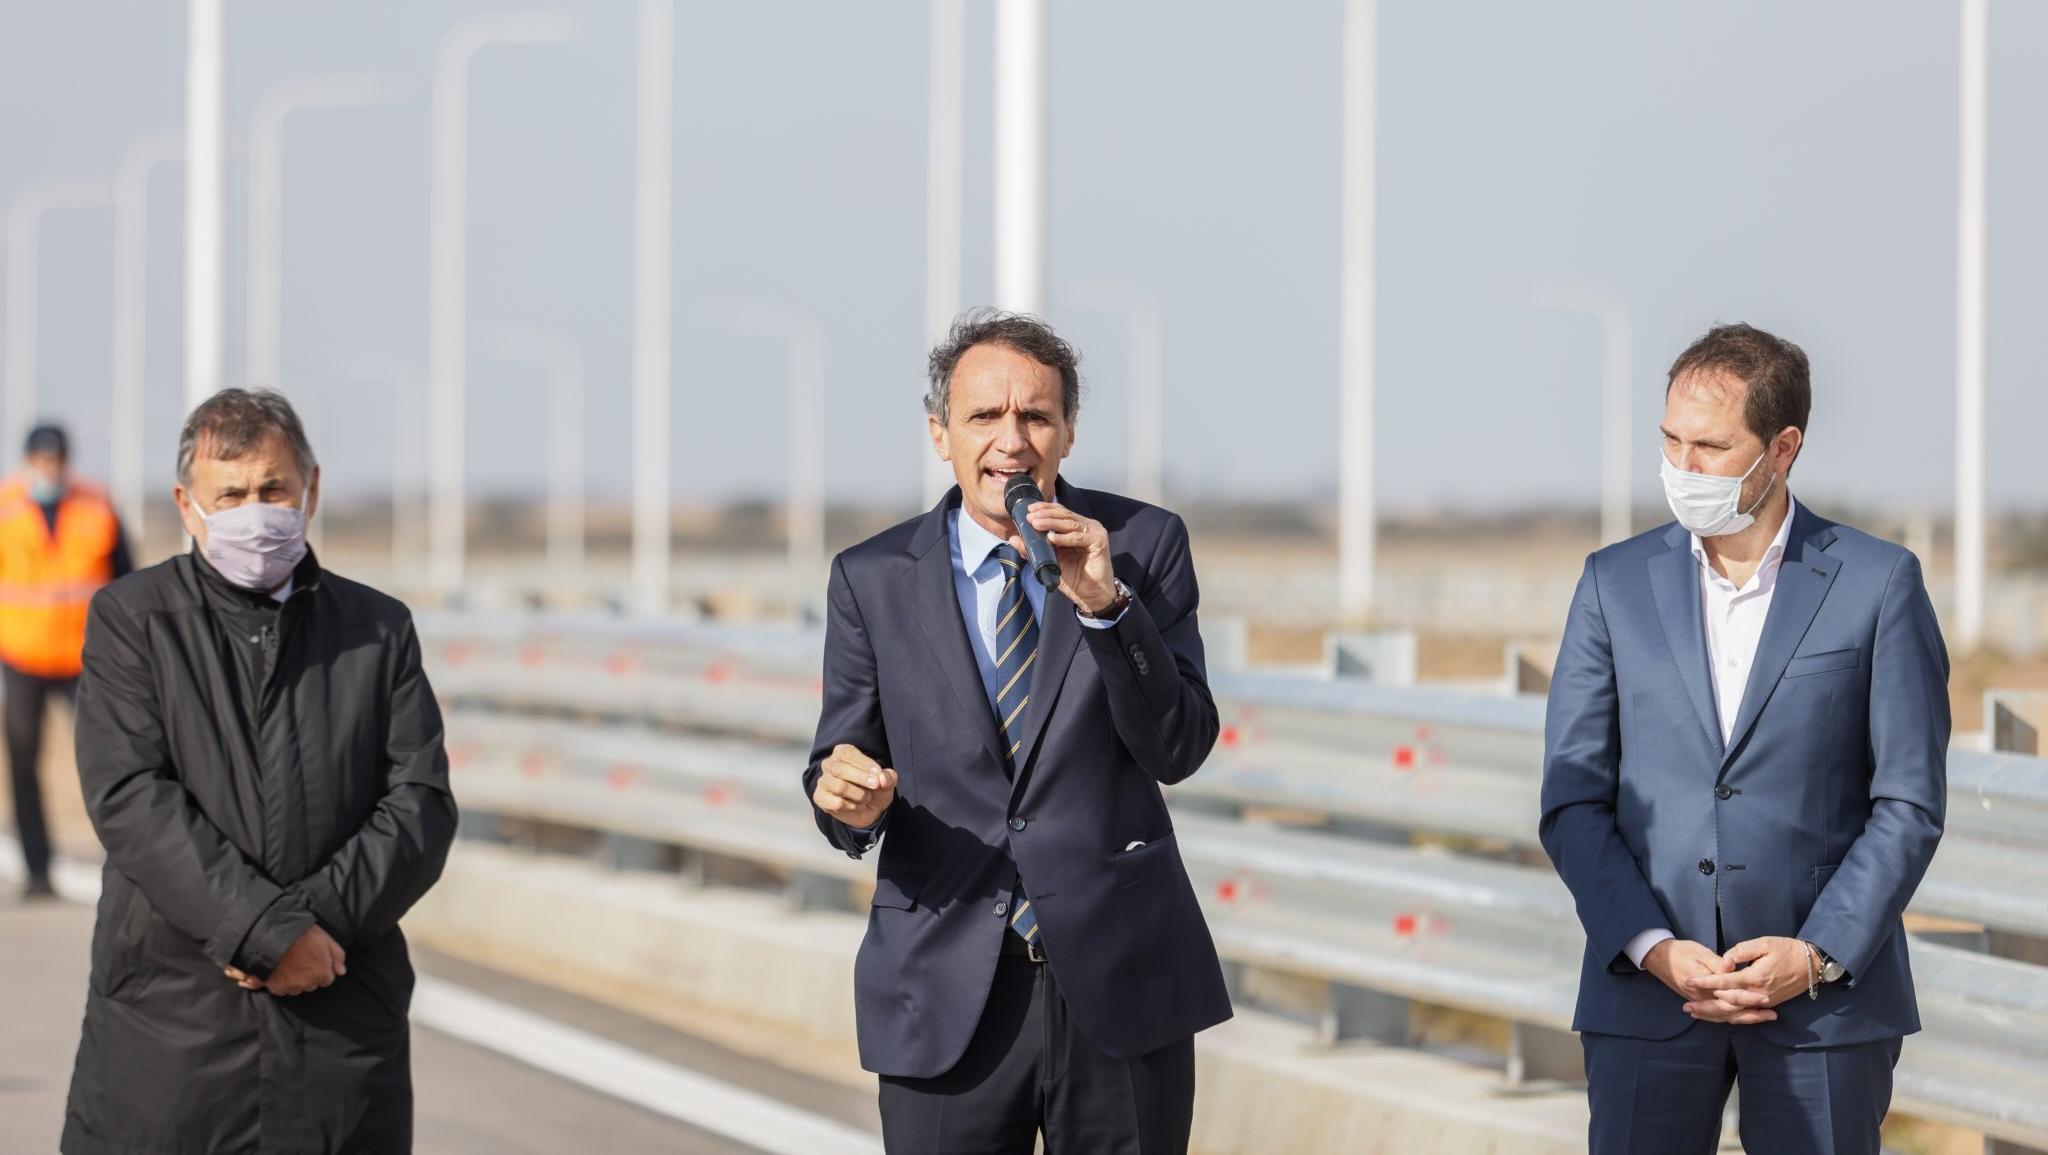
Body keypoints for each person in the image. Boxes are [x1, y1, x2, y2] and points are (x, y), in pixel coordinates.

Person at [803, 310, 1232, 1153]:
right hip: (946, 981)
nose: (1013, 440)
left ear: (1068, 432)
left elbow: (1176, 745)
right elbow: (842, 762)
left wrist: (1107, 607)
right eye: (984, 417)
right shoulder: (872, 579)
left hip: (1119, 984)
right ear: (940, 433)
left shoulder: (1142, 546)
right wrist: (847, 800)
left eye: (1036, 416)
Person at [1539, 324, 1949, 1154]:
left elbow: (1907, 799)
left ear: (1783, 447)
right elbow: (1573, 797)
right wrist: (1653, 947)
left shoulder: (1878, 583)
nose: (1681, 468)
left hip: (1822, 1011)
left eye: (1711, 446)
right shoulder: (1611, 585)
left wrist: (1817, 952)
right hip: (1648, 998)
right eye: (1671, 441)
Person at [62, 388, 457, 1154]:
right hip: (172, 1023)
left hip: (338, 1012)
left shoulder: (378, 628)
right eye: (231, 493)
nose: (256, 510)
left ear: (310, 489)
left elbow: (421, 803)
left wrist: (315, 929)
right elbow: (130, 795)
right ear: (187, 504)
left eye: (273, 488)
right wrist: (264, 932)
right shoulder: (132, 619)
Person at [0, 423, 132, 900]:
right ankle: (38, 871)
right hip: (21, 656)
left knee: (109, 759)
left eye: (55, 459)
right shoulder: (6, 507)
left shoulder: (96, 507)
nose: (48, 467)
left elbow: (126, 582)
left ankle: (125, 863)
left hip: (84, 659)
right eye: (41, 459)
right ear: (29, 459)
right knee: (22, 763)